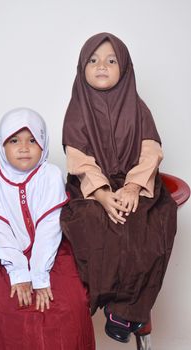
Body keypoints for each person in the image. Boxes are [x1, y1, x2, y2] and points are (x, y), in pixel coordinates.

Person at [60, 32, 177, 343]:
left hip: (133, 183)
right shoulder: (77, 110)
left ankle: (125, 310)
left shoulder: (139, 108)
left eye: (111, 61)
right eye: (94, 60)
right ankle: (104, 297)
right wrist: (101, 193)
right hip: (93, 186)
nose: (102, 66)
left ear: (125, 68)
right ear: (82, 67)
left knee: (148, 224)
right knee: (95, 221)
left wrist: (132, 188)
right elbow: (78, 158)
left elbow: (151, 150)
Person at [0, 107, 95, 350]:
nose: (23, 147)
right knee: (4, 308)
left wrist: (40, 276)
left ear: (43, 143)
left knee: (70, 304)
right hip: (9, 258)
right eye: (14, 140)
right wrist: (19, 273)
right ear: (2, 145)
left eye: (32, 140)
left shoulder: (50, 174)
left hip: (53, 253)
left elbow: (49, 227)